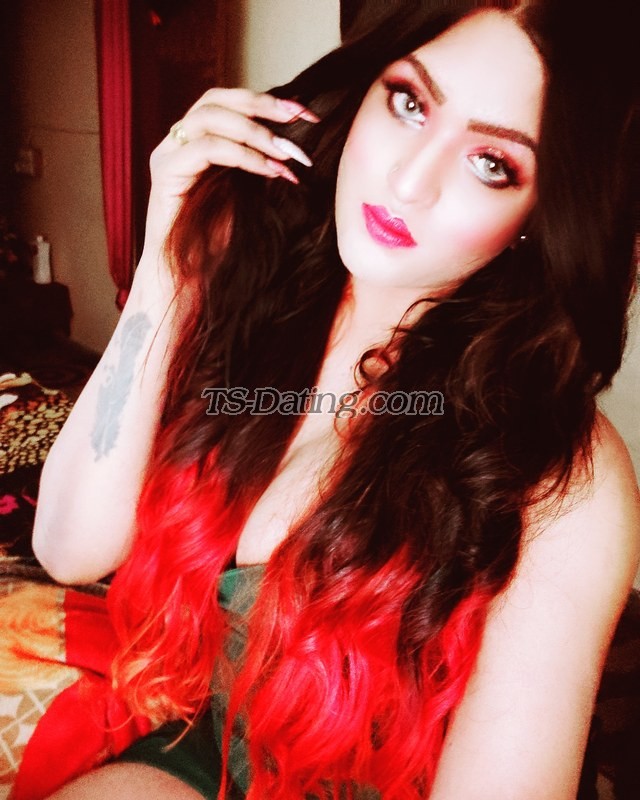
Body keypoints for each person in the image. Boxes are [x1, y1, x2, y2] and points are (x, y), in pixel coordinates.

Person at [32, 0, 639, 798]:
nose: (408, 181)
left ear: (544, 211)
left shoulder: (567, 478)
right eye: (410, 102)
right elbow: (71, 548)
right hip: (196, 753)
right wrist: (165, 262)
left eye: (492, 163)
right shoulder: (256, 289)